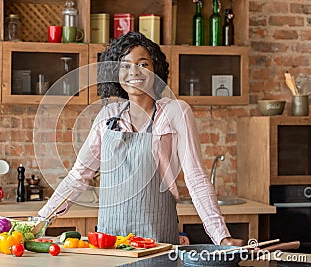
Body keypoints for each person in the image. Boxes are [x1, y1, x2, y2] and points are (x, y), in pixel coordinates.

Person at [38, 32, 244, 246]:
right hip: (110, 243)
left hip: (157, 241)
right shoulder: (108, 116)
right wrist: (40, 220)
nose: (133, 71)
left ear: (156, 70)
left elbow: (196, 178)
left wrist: (222, 236)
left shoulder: (175, 112)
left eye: (143, 64)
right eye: (125, 65)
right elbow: (78, 177)